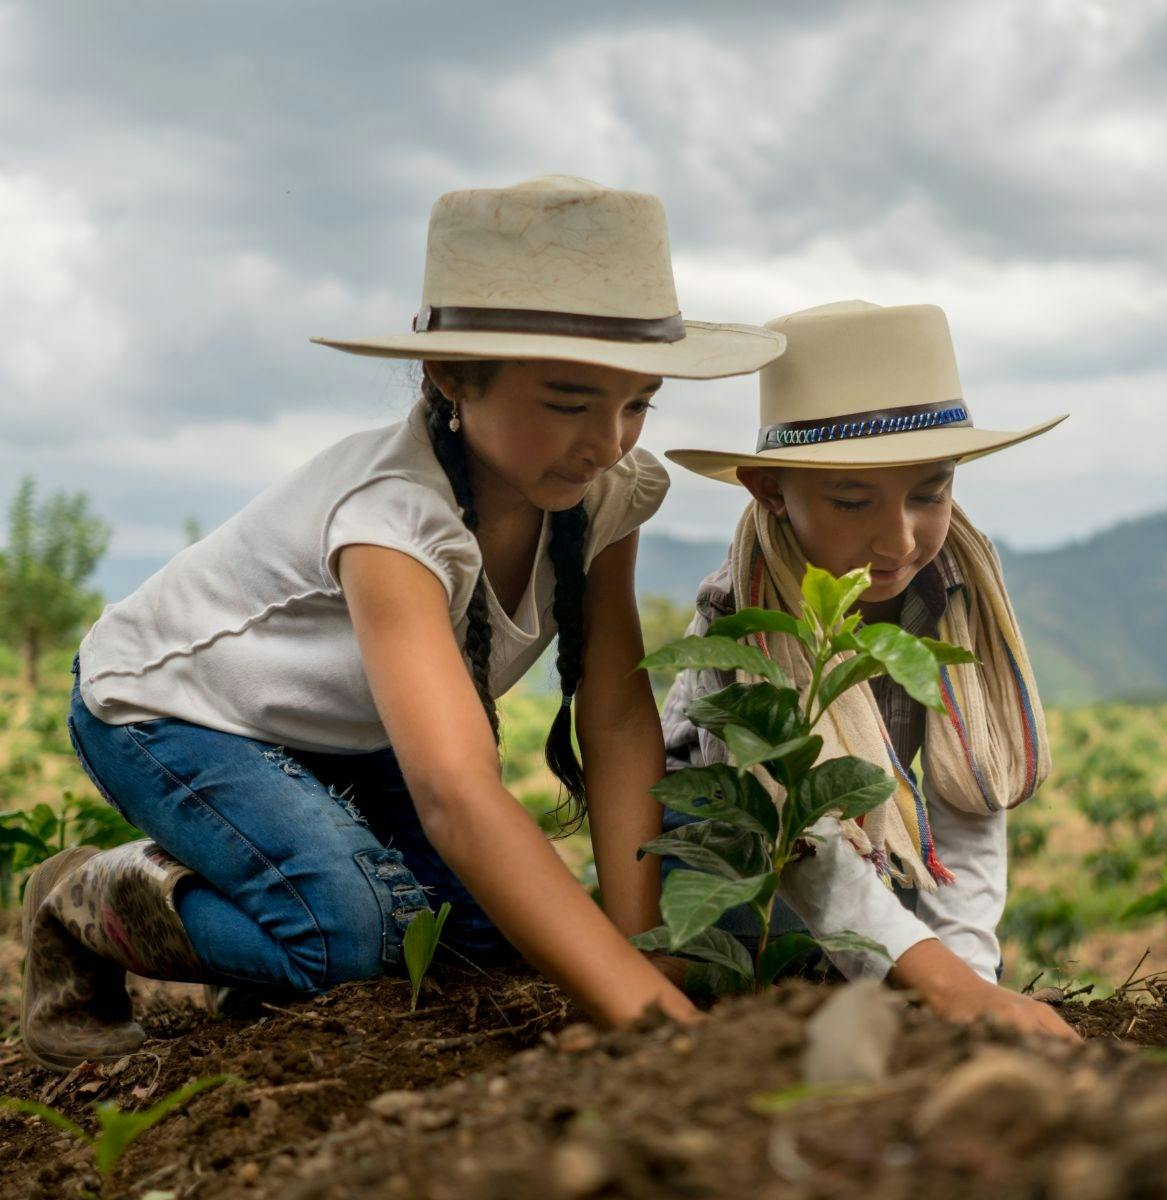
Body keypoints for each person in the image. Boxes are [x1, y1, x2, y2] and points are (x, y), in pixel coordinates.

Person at [21, 176, 786, 1071]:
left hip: (348, 733)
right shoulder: (393, 516)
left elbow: (615, 719)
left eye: (638, 402)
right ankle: (81, 898)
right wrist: (649, 1022)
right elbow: (456, 794)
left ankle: (267, 951)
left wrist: (637, 952)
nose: (609, 440)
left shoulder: (607, 494)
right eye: (571, 402)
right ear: (451, 375)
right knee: (352, 936)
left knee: (485, 945)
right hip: (174, 712)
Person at [661, 300, 1075, 1040]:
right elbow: (803, 845)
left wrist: (971, 984)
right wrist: (941, 984)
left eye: (931, 493)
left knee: (924, 943)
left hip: (868, 856)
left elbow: (968, 795)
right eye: (853, 500)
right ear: (770, 492)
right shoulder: (743, 613)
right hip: (740, 861)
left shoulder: (955, 590)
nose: (900, 539)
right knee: (786, 943)